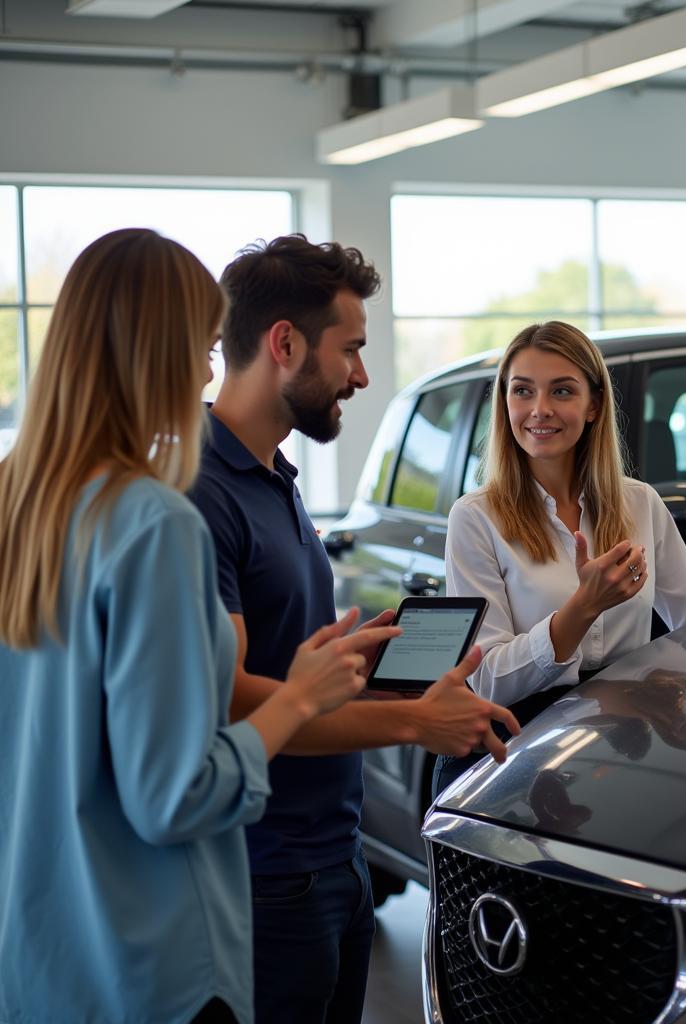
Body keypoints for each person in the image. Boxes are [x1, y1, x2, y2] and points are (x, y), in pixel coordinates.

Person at [0, 229, 388, 1024]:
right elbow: (175, 797)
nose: (212, 368)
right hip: (153, 962)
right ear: (160, 352)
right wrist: (299, 697)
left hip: (42, 953)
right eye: (206, 344)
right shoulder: (153, 521)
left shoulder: (18, 504)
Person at [188, 233, 519, 1024]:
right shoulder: (202, 493)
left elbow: (281, 664)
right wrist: (412, 720)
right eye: (352, 350)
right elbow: (231, 702)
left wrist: (354, 656)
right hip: (268, 875)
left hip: (334, 858)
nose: (362, 376)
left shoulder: (277, 477)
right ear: (285, 343)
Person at [435, 320, 686, 794]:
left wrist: (681, 696)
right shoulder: (476, 517)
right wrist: (583, 607)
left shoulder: (640, 504)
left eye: (562, 391)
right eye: (522, 391)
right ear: (505, 402)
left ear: (593, 406)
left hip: (624, 751)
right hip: (521, 757)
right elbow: (489, 681)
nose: (539, 409)